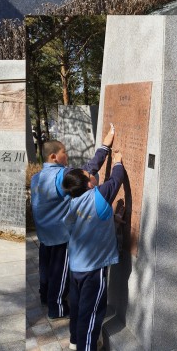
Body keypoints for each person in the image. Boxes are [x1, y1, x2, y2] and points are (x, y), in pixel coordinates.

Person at [30, 126, 115, 320]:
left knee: (46, 268)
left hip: (45, 235)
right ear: (54, 157)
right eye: (64, 152)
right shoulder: (60, 176)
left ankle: (45, 296)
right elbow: (86, 172)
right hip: (61, 235)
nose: (67, 156)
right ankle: (57, 308)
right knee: (60, 273)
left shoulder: (36, 178)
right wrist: (104, 147)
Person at [61, 150, 125, 351]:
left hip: (76, 267)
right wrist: (118, 162)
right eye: (90, 175)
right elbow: (116, 180)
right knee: (91, 315)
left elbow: (87, 223)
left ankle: (74, 341)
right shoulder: (99, 195)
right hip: (93, 270)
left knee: (77, 307)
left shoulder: (73, 201)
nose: (93, 175)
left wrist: (111, 219)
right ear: (89, 184)